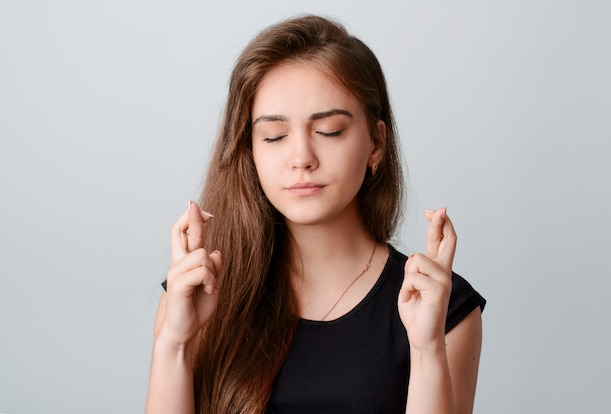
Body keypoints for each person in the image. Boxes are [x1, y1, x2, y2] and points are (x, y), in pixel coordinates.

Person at [146, 15, 486, 414]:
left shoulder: (443, 308)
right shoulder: (198, 294)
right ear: (250, 150)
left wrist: (427, 349)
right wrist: (175, 344)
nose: (302, 158)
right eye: (274, 136)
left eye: (328, 131)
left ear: (376, 143)